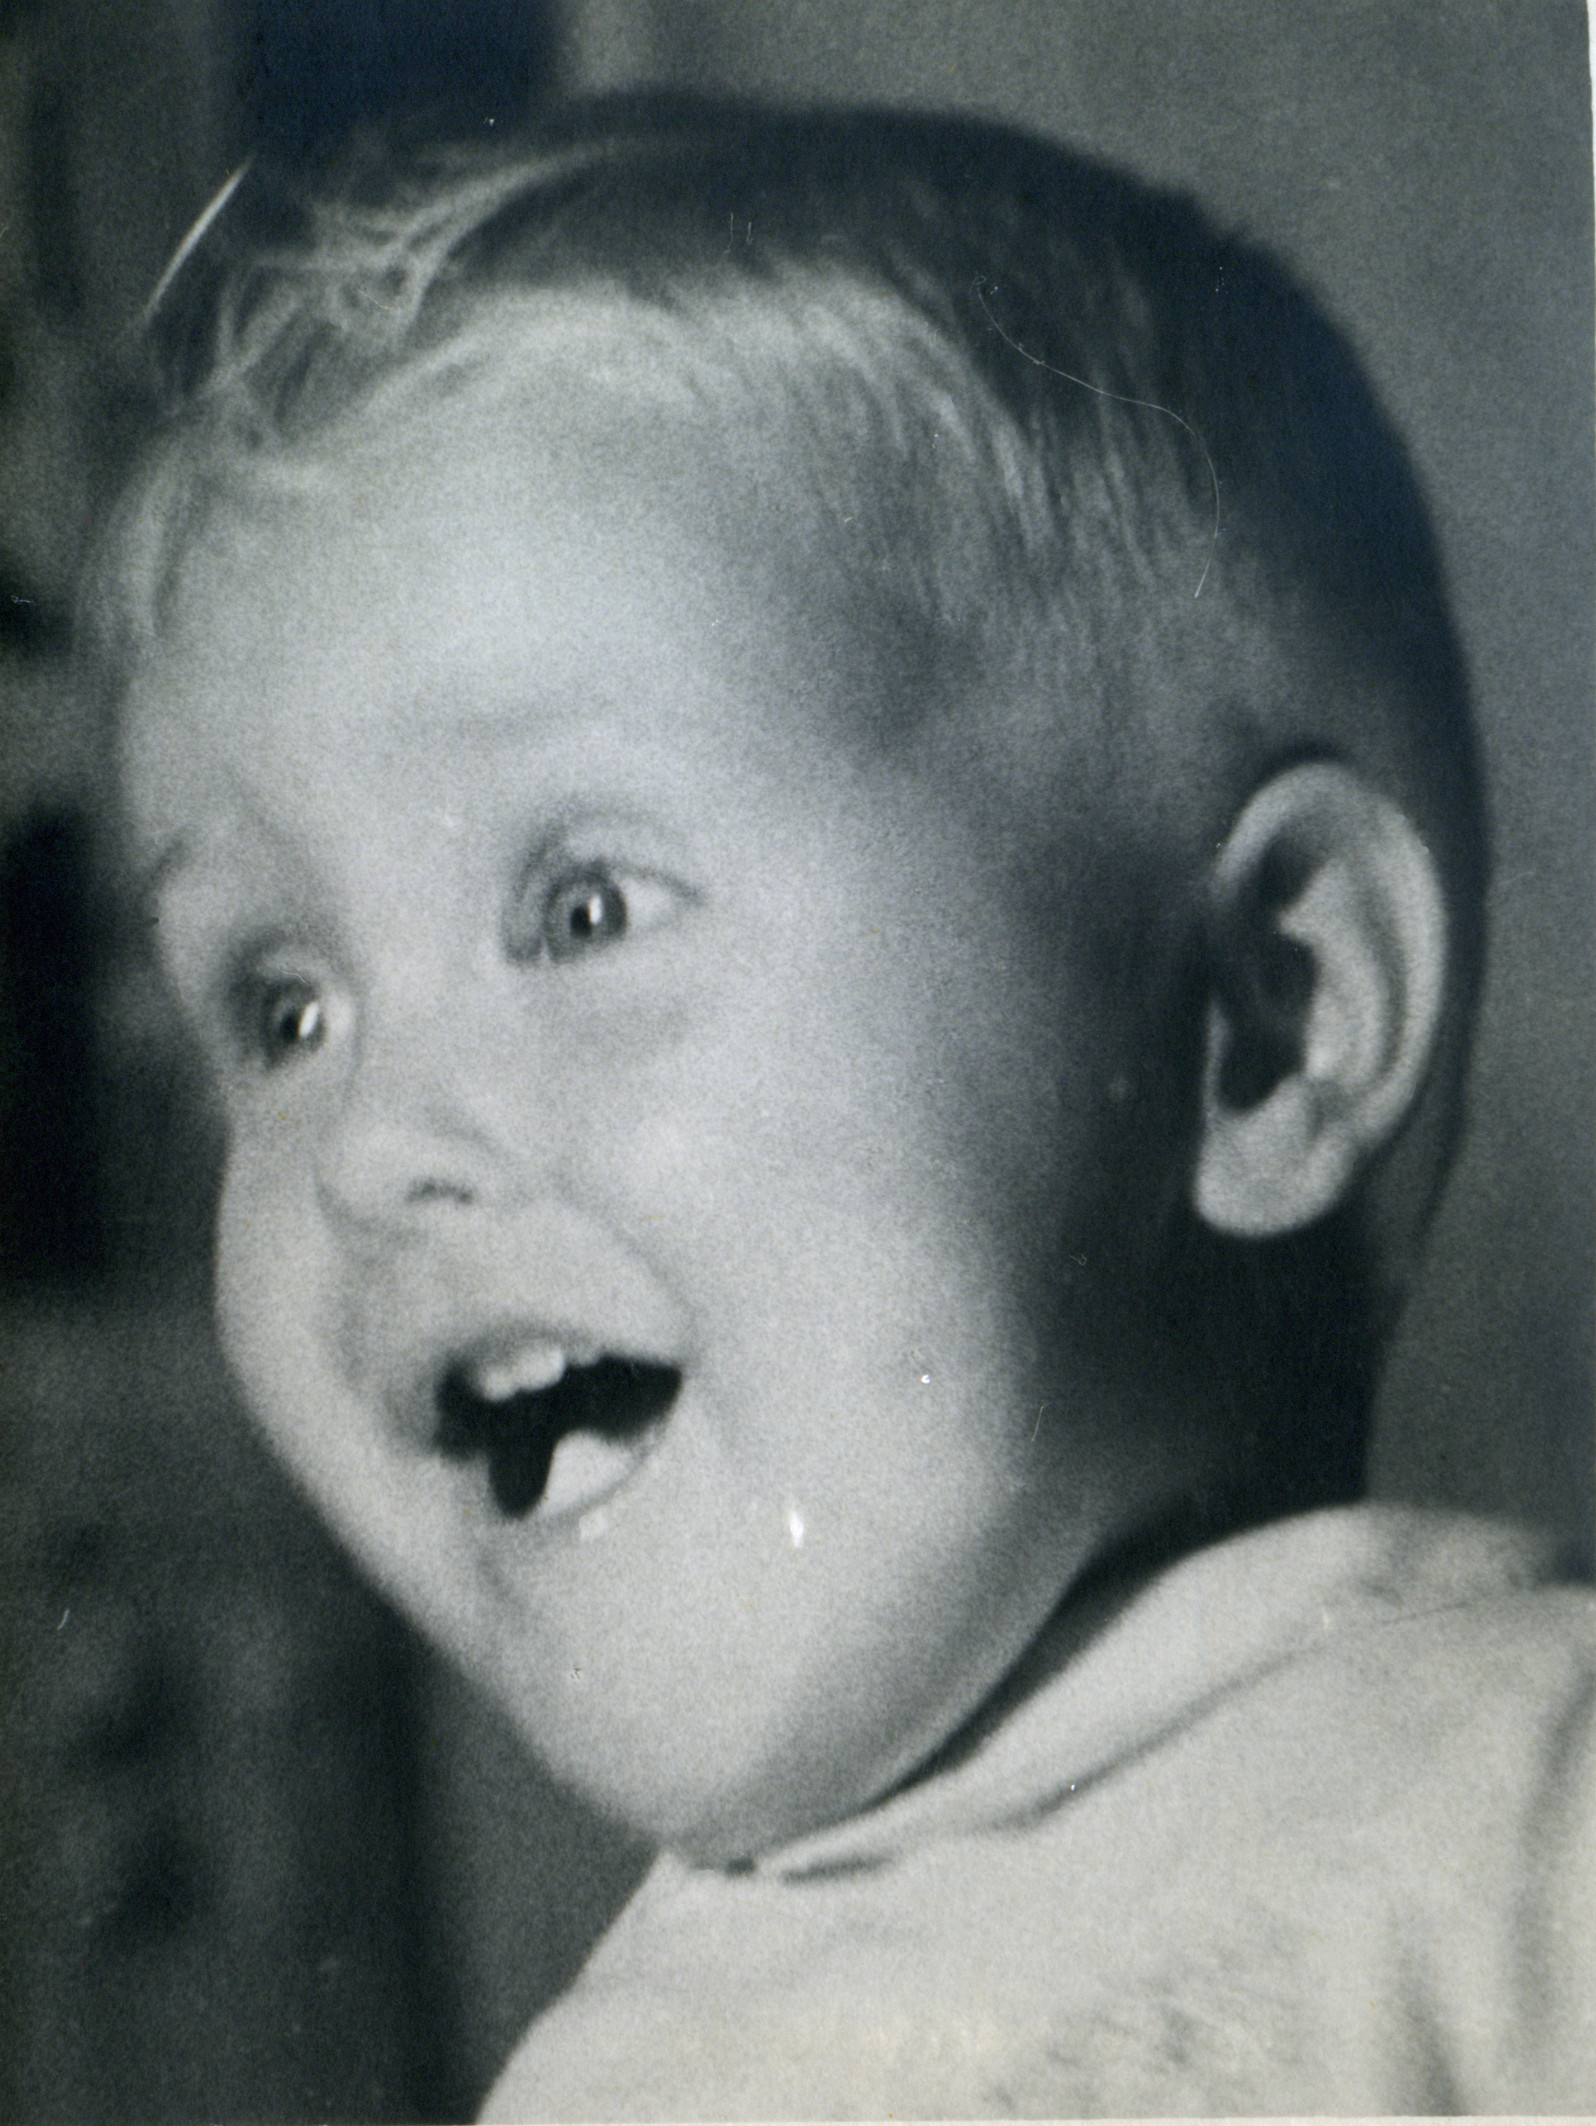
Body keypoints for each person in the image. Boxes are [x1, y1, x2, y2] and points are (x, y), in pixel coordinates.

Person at [88, 96, 1593, 2114]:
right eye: (283, 1013)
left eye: (583, 909)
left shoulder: (1523, 1836)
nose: (364, 1149)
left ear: (1268, 1019)